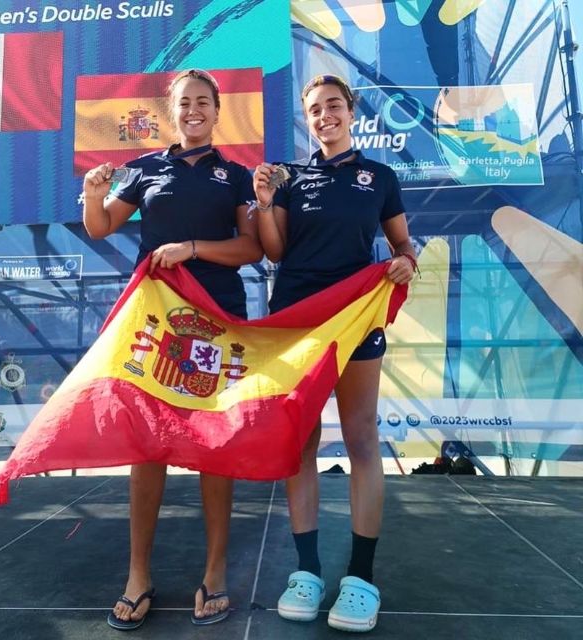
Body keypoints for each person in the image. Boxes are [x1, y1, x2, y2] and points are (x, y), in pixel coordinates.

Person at [83, 69, 262, 630]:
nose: (193, 111)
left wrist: (192, 249)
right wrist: (93, 194)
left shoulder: (236, 176)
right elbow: (100, 226)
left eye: (204, 103)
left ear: (217, 111)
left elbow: (252, 248)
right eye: (184, 103)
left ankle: (215, 572)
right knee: (147, 445)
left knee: (215, 444)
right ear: (171, 110)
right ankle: (138, 575)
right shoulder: (143, 170)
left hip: (217, 323)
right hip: (156, 324)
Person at [253, 74, 416, 633]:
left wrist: (405, 263)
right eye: (315, 110)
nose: (325, 116)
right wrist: (267, 203)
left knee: (362, 439)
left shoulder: (381, 177)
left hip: (356, 319)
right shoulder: (290, 179)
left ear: (352, 112)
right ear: (308, 120)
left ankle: (362, 579)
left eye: (333, 107)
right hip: (297, 321)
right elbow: (274, 250)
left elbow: (403, 246)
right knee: (299, 441)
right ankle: (306, 572)